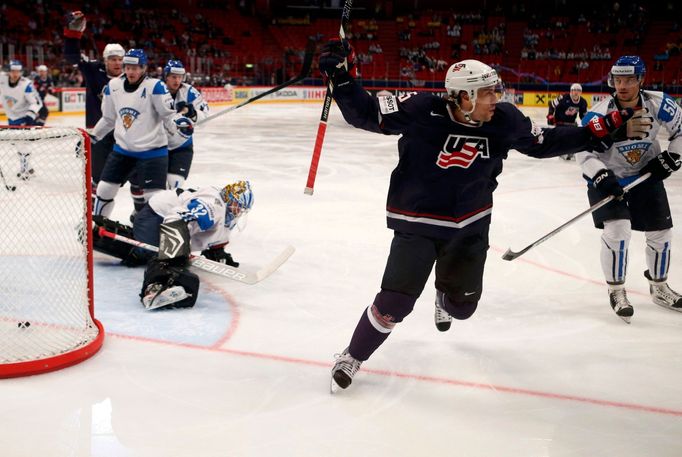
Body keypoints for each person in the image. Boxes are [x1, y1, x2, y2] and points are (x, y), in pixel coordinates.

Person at [317, 40, 635, 391]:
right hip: (417, 221)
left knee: (463, 308)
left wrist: (594, 134)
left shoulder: (504, 120)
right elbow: (365, 112)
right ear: (463, 97)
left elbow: (543, 142)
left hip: (470, 225)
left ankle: (443, 296)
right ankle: (353, 355)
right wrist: (342, 77)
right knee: (395, 302)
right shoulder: (421, 109)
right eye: (487, 93)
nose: (495, 99)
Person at [575, 55, 682, 323]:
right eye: (617, 80)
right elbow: (583, 152)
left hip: (645, 176)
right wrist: (601, 176)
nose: (622, 86)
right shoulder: (598, 113)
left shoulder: (660, 104)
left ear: (641, 80)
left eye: (629, 80)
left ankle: (659, 287)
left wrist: (673, 157)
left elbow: (680, 131)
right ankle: (617, 290)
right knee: (618, 230)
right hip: (608, 179)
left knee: (661, 232)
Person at [92, 180, 254, 309]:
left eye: (242, 209)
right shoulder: (212, 205)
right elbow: (176, 219)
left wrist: (217, 251)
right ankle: (155, 285)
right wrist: (171, 259)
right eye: (237, 206)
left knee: (158, 251)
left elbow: (216, 231)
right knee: (147, 253)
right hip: (155, 216)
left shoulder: (223, 208)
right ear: (230, 198)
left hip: (160, 217)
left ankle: (107, 234)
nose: (238, 211)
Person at [91, 48, 194, 218]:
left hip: (152, 153)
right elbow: (108, 119)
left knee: (154, 199)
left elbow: (168, 117)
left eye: (136, 67)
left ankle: (151, 234)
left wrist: (180, 124)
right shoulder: (113, 86)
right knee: (104, 189)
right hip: (122, 151)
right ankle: (97, 226)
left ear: (144, 68)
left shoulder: (155, 86)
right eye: (128, 67)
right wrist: (94, 136)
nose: (131, 71)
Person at [63, 10, 125, 192]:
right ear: (105, 61)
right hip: (97, 132)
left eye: (121, 59)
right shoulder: (92, 69)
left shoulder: (130, 77)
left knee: (128, 180)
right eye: (113, 59)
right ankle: (97, 217)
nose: (118, 63)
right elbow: (72, 57)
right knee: (97, 181)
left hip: (124, 135)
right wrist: (72, 35)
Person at [0, 60, 43, 180]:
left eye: (17, 71)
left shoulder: (26, 84)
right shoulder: (2, 79)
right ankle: (28, 167)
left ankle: (25, 170)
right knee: (18, 145)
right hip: (11, 117)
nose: (15, 74)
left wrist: (30, 115)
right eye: (13, 71)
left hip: (23, 117)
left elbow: (37, 102)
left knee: (22, 145)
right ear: (9, 71)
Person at [548, 83, 588, 160]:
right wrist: (550, 115)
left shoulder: (583, 102)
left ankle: (570, 151)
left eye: (578, 90)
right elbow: (551, 105)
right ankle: (562, 151)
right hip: (560, 122)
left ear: (581, 92)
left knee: (575, 136)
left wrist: (586, 122)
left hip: (571, 123)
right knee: (563, 136)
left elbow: (582, 115)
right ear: (571, 91)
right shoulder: (562, 97)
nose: (576, 92)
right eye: (574, 90)